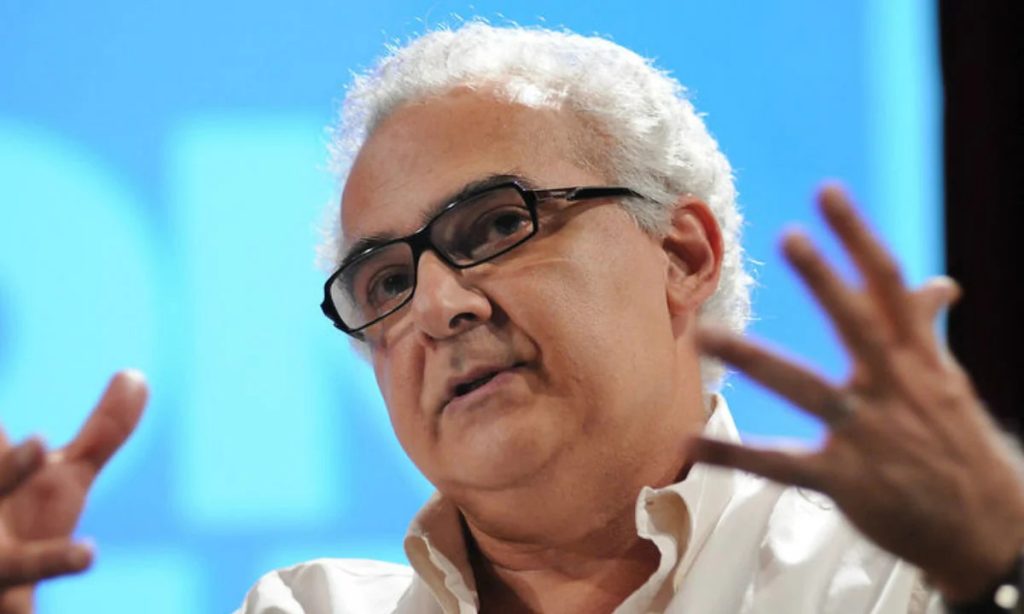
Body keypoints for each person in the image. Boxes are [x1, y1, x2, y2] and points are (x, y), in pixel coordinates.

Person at [2, 22, 1023, 614]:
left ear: (682, 253)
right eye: (382, 282)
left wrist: (1005, 562)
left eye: (496, 224)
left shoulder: (896, 579)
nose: (438, 304)